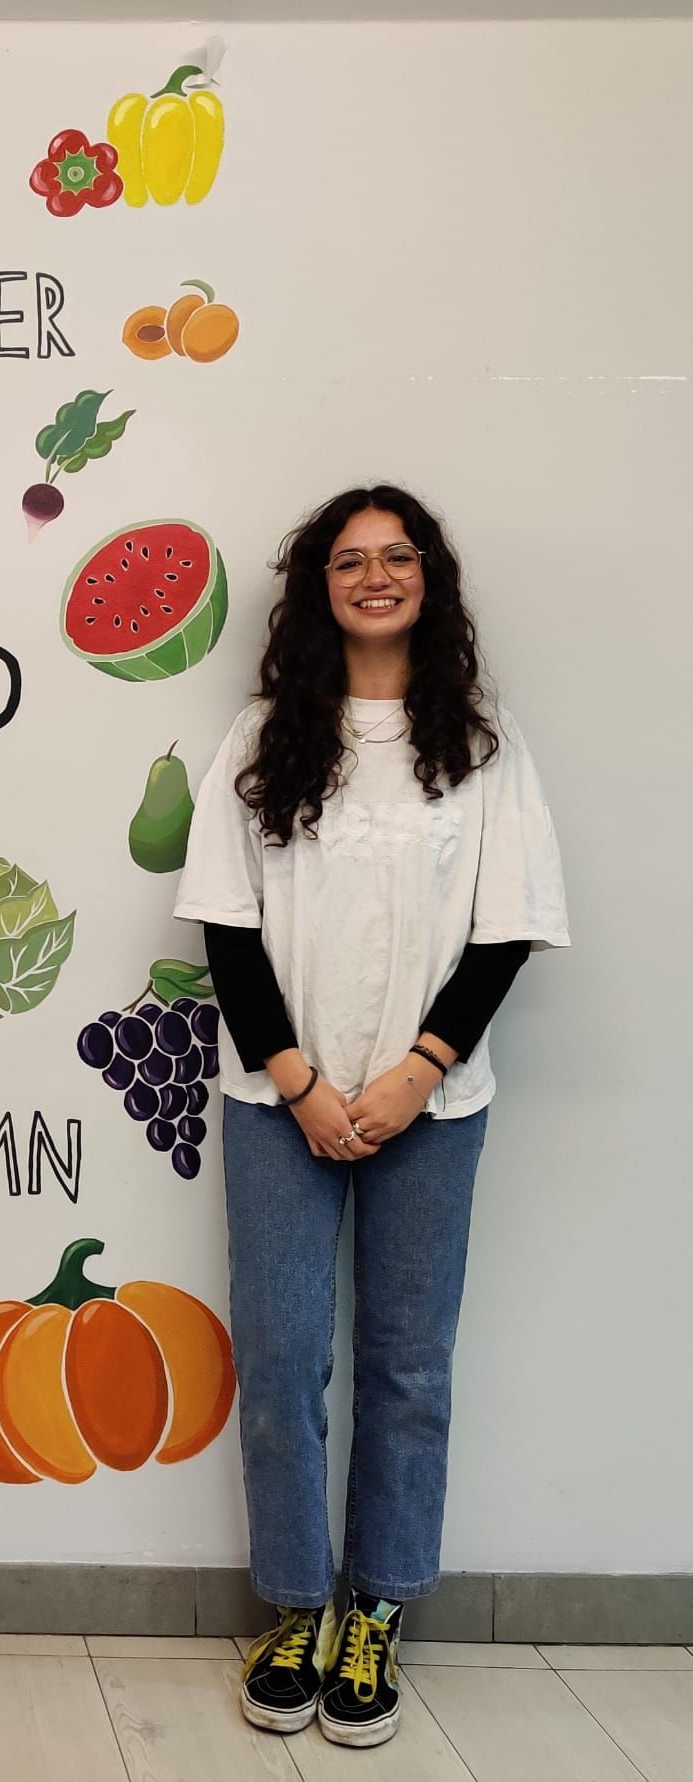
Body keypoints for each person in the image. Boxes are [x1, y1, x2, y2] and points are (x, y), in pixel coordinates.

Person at [173, 486, 568, 1749]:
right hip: (273, 1101)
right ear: (317, 589)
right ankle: (294, 1604)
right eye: (351, 560)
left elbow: (505, 932)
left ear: (428, 582)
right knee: (284, 1363)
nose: (376, 574)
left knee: (408, 1369)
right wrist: (299, 1080)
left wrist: (413, 1073)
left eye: (398, 556)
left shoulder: (483, 742)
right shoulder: (257, 737)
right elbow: (224, 933)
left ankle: (377, 1607)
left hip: (432, 1106)